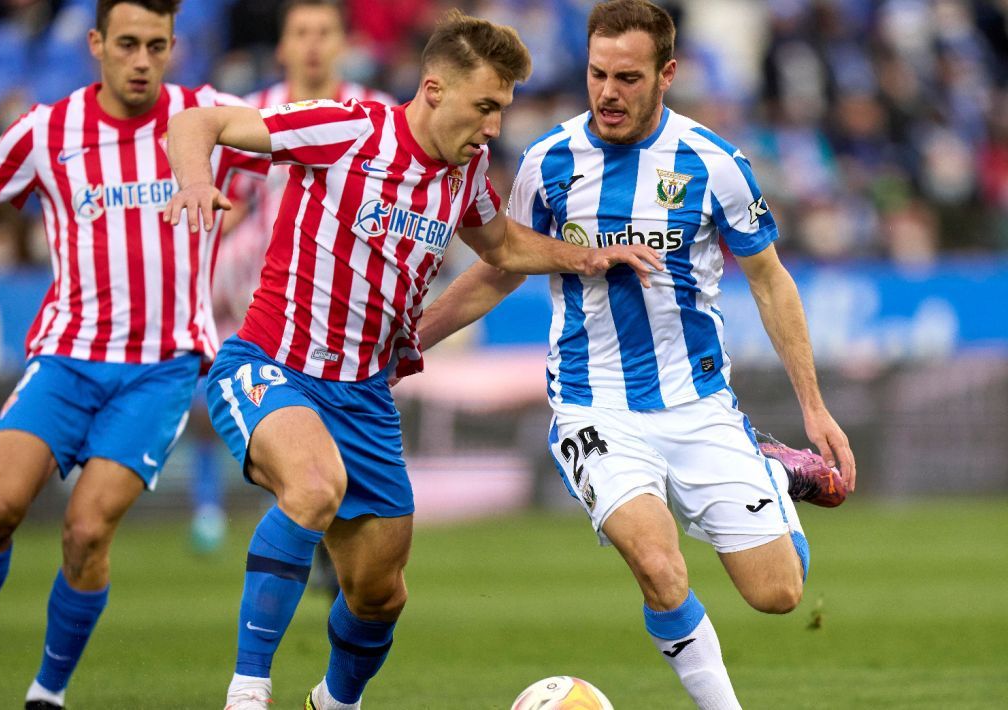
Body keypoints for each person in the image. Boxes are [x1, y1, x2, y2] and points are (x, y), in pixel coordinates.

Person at [163, 9, 662, 709]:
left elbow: (504, 248)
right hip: (273, 363)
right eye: (484, 106)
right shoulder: (348, 129)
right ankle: (247, 693)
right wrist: (191, 181)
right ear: (433, 89)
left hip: (365, 397)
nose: (493, 126)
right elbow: (196, 124)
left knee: (380, 595)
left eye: (502, 109)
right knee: (311, 487)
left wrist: (587, 256)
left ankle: (334, 703)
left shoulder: (466, 171)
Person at [416, 2, 856, 708]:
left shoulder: (715, 165)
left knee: (778, 593)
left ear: (666, 75)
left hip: (698, 404)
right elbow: (500, 266)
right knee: (659, 565)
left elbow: (770, 279)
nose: (608, 92)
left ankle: (770, 472)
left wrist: (813, 406)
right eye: (597, 74)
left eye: (627, 76)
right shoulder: (548, 162)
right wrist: (411, 341)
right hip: (595, 407)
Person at [0, 2, 268, 708]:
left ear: (176, 47)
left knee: (85, 530)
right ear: (96, 44)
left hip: (160, 369)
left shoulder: (208, 115)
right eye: (128, 45)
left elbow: (298, 142)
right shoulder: (48, 131)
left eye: (157, 46)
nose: (142, 60)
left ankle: (46, 693)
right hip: (66, 358)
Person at [188, 0, 397, 572]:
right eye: (300, 32)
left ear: (341, 42)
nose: (311, 43)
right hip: (259, 295)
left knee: (335, 446)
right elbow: (228, 196)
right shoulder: (253, 112)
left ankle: (322, 532)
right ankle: (213, 506)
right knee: (240, 413)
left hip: (344, 307)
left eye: (323, 32)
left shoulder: (377, 114)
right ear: (281, 46)